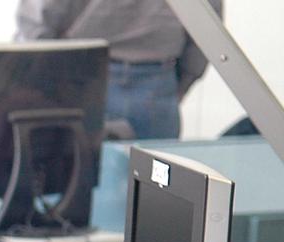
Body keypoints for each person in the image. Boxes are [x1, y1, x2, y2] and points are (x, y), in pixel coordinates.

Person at [15, 0, 223, 139]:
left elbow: (38, 22)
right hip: (158, 83)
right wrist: (183, 81)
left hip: (83, 78)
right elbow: (208, 26)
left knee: (78, 195)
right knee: (157, 199)